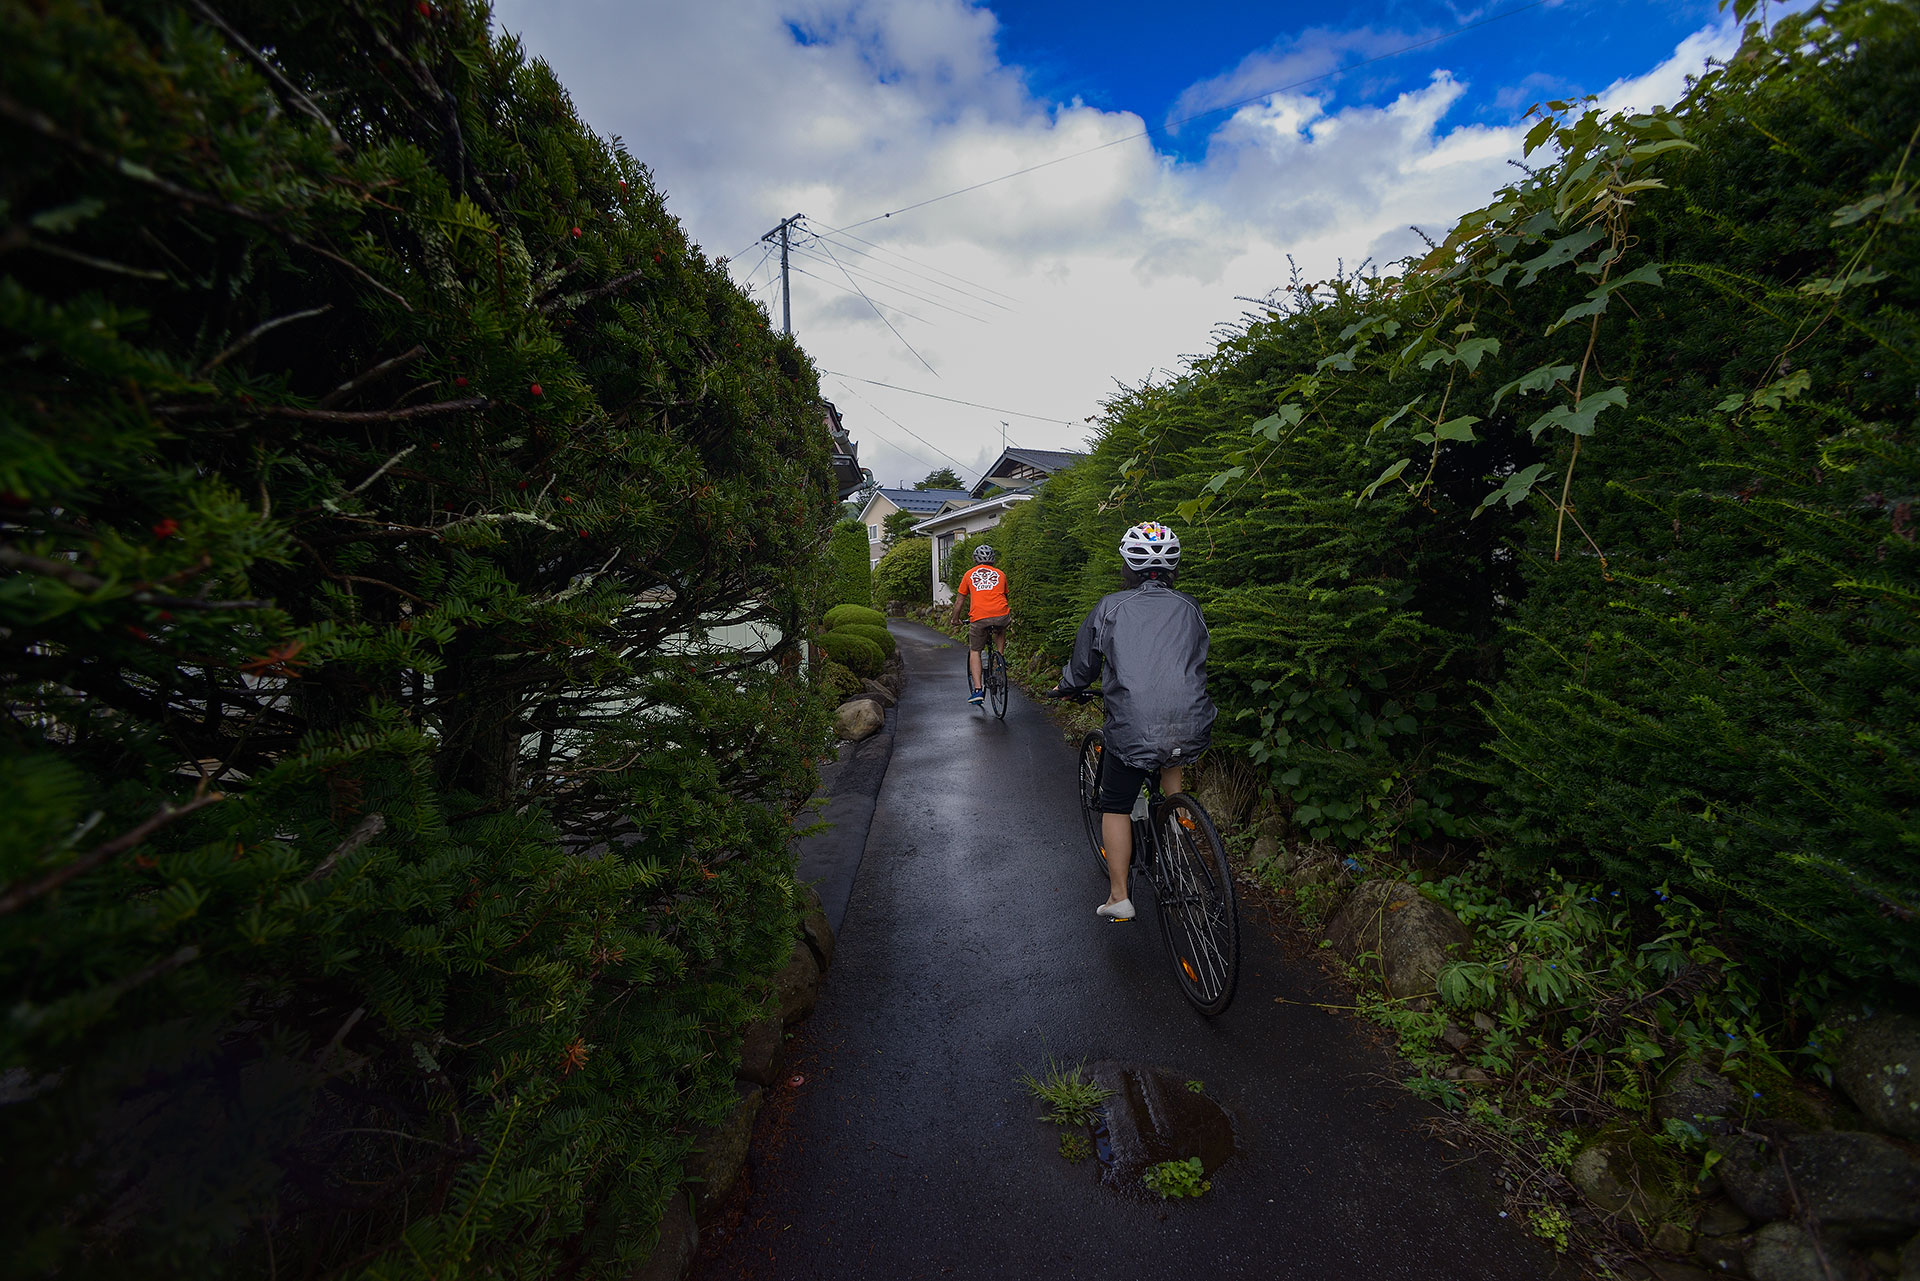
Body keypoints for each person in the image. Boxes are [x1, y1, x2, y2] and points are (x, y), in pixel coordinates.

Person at [1049, 521, 1215, 921]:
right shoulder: (1190, 606)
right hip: (1191, 720)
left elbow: (1084, 664)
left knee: (1117, 803)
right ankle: (1176, 818)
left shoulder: (1110, 607)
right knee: (1169, 743)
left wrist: (1069, 687)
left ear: (1127, 565)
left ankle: (1120, 896)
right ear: (1173, 569)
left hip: (1133, 727)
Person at [949, 543, 1010, 706]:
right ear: (993, 560)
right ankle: (1000, 659)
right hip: (1001, 614)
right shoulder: (1001, 574)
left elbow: (959, 601)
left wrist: (955, 619)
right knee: (1000, 628)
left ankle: (977, 690)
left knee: (975, 650)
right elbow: (1004, 596)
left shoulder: (969, 575)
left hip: (979, 618)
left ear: (975, 559)